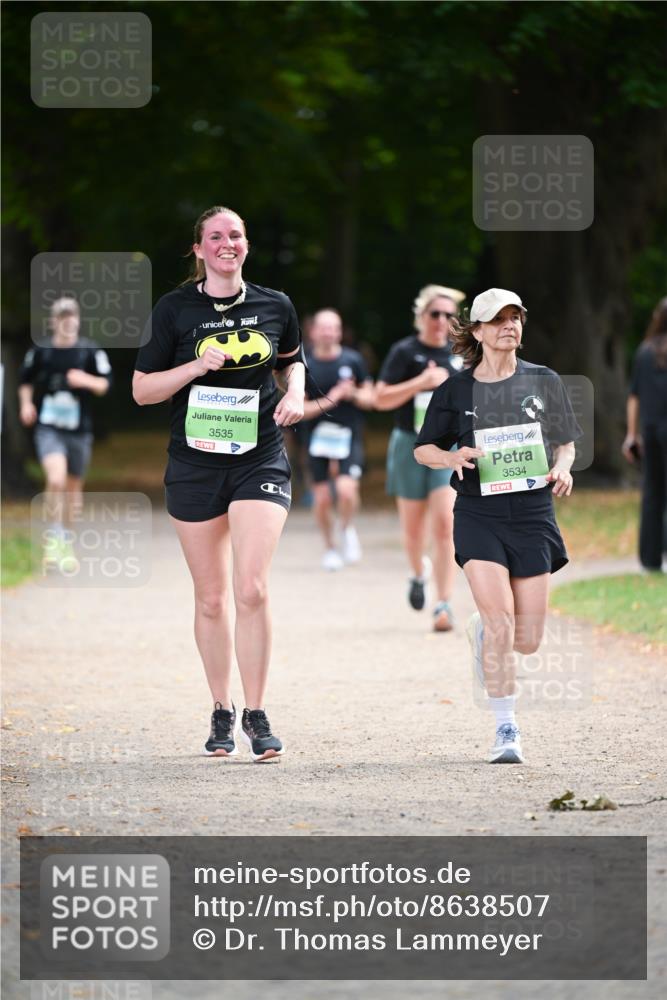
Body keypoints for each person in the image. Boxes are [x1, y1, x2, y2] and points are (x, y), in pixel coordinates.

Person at [132, 205, 305, 762]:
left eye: (235, 235)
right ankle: (221, 709)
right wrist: (195, 367)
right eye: (215, 237)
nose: (226, 243)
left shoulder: (275, 304)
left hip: (259, 457)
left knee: (251, 587)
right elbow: (142, 391)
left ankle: (257, 712)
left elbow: (291, 362)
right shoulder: (175, 309)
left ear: (246, 245)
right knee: (211, 599)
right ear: (199, 250)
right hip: (195, 463)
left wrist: (297, 393)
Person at [414, 288, 581, 764]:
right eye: (500, 319)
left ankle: (484, 633)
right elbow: (423, 449)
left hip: (532, 515)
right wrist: (451, 455)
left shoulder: (543, 380)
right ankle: (506, 729)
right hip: (478, 515)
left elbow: (566, 442)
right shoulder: (456, 389)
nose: (511, 325)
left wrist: (564, 467)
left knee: (527, 639)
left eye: (516, 317)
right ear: (480, 331)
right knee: (501, 621)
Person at [375, 285, 465, 631]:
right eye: (435, 314)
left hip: (448, 449)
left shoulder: (461, 354)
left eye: (448, 315)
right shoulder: (404, 352)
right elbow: (379, 398)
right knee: (413, 532)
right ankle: (417, 573)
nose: (441, 320)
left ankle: (443, 604)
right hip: (409, 444)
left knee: (445, 525)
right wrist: (421, 382)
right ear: (421, 317)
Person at [18, 296, 112, 567]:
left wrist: (86, 380)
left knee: (72, 490)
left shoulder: (89, 351)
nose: (67, 320)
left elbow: (106, 385)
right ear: (53, 321)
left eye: (71, 315)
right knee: (56, 479)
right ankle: (53, 539)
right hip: (49, 428)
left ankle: (66, 543)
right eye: (62, 316)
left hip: (79, 430)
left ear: (78, 319)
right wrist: (26, 405)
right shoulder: (41, 351)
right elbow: (25, 380)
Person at [302, 309, 375, 570]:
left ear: (340, 331)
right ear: (313, 332)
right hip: (316, 437)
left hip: (349, 435)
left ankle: (346, 528)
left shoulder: (353, 360)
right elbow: (300, 409)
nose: (329, 333)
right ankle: (330, 548)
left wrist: (351, 392)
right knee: (321, 498)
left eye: (334, 328)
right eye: (323, 328)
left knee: (346, 490)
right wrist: (332, 397)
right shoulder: (305, 364)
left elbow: (370, 398)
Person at [622, 296, 667, 572]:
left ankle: (650, 560)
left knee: (652, 494)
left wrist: (631, 434)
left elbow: (633, 397)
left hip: (651, 433)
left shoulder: (644, 352)